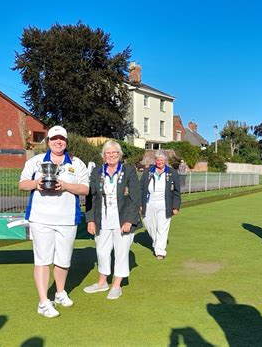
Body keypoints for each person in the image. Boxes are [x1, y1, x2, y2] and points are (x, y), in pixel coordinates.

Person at [19, 125, 89, 318]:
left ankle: (59, 293)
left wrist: (66, 185)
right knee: (42, 260)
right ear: (48, 141)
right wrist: (36, 184)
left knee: (63, 260)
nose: (58, 142)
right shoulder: (36, 161)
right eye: (54, 139)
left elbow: (85, 189)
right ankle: (43, 302)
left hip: (67, 219)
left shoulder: (76, 163)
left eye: (62, 139)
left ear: (66, 142)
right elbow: (22, 183)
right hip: (40, 218)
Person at [84, 140, 141, 300]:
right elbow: (91, 197)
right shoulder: (97, 171)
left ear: (119, 154)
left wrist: (130, 220)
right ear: (103, 156)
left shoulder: (129, 170)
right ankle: (102, 282)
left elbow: (135, 197)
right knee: (101, 251)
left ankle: (116, 285)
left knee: (121, 252)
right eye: (107, 153)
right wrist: (90, 220)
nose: (111, 155)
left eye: (114, 152)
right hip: (101, 219)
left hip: (122, 219)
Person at [140, 150, 181, 259]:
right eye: (158, 160)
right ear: (155, 160)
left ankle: (160, 251)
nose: (159, 162)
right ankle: (157, 242)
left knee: (162, 227)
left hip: (164, 204)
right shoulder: (148, 171)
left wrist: (176, 206)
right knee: (149, 225)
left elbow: (177, 191)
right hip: (149, 203)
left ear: (165, 161)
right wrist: (139, 203)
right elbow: (141, 188)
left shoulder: (172, 173)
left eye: (162, 160)